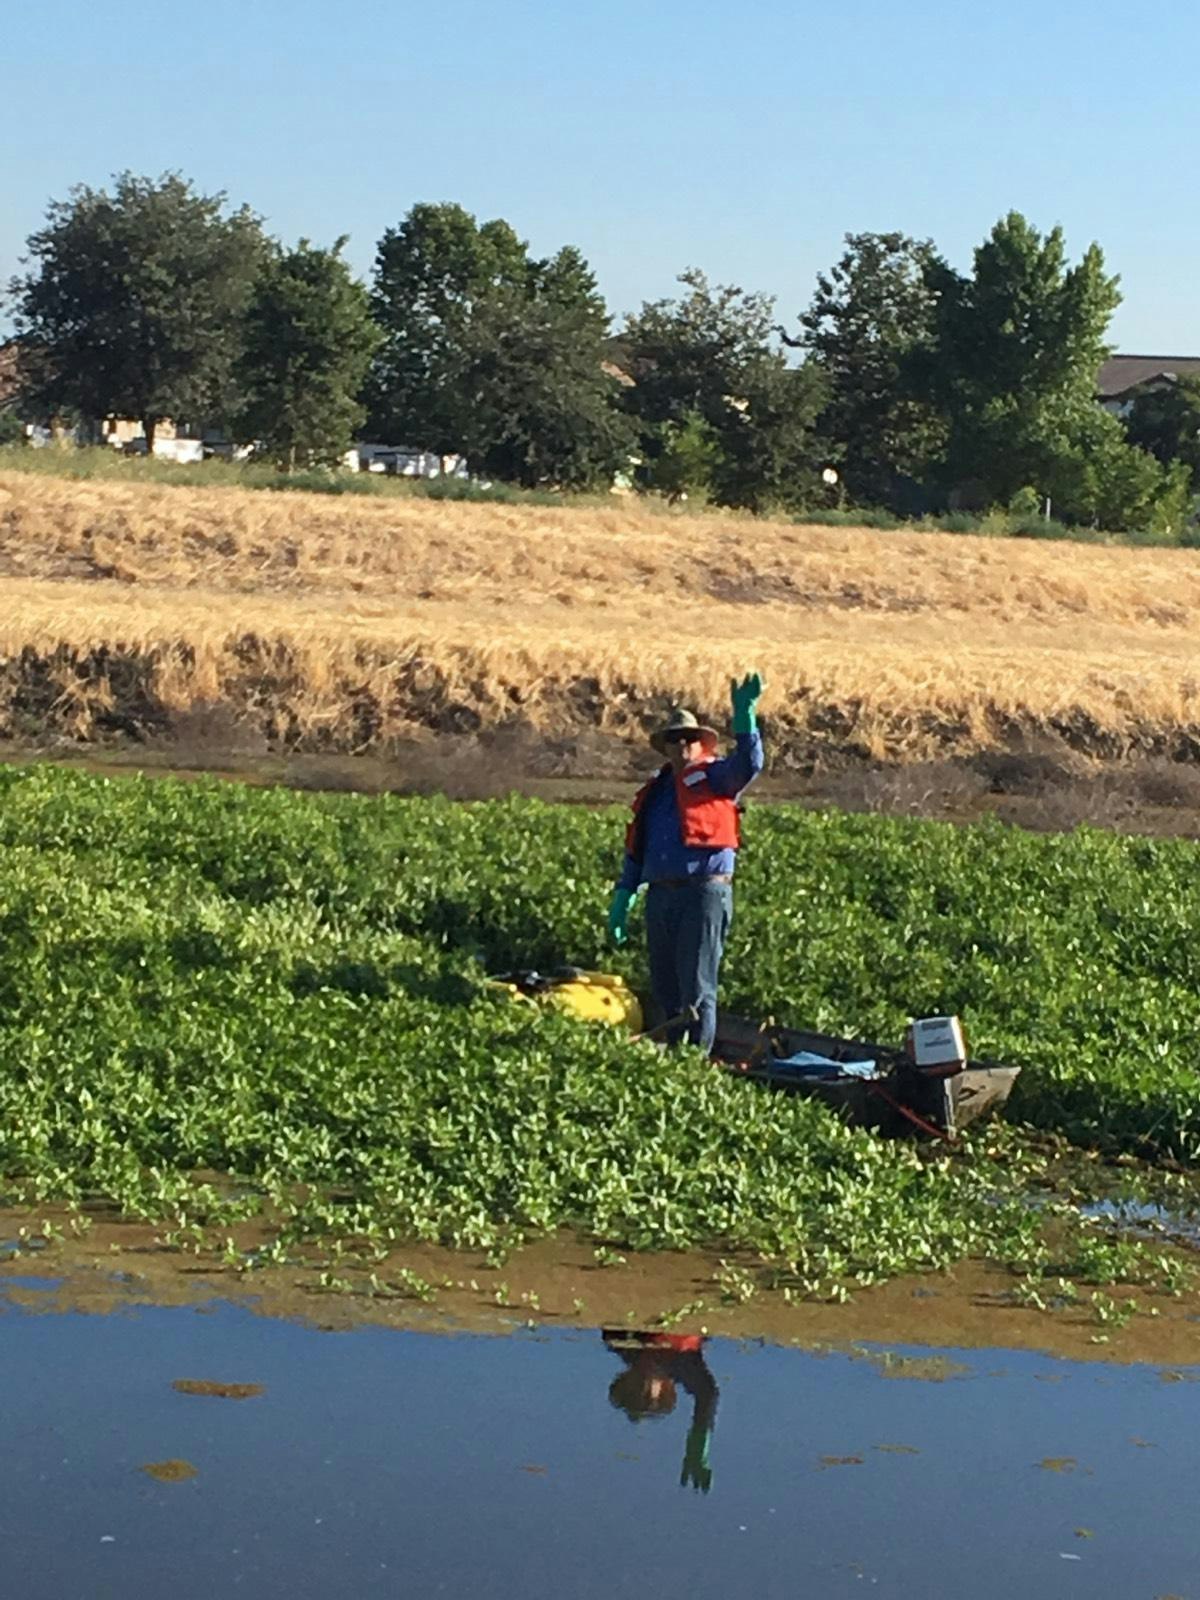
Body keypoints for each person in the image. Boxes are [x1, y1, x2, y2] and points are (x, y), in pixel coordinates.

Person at [606, 674, 764, 1053]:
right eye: (674, 740)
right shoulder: (656, 791)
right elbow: (638, 847)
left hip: (703, 892)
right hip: (662, 895)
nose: (682, 746)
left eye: (689, 739)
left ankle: (694, 1062)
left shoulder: (716, 776)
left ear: (701, 744)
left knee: (697, 985)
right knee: (666, 985)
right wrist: (625, 893)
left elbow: (750, 763)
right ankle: (675, 1054)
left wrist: (745, 717)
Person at [602, 1329, 719, 1493]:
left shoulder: (619, 1340)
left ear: (626, 1378)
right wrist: (697, 1447)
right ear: (667, 1388)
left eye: (636, 1394)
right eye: (650, 1399)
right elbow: (708, 1395)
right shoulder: (680, 1364)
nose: (646, 1390)